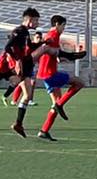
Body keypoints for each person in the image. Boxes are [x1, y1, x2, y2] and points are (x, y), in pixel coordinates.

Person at [35, 14, 87, 142]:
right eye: (63, 25)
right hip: (50, 73)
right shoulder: (53, 35)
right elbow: (52, 51)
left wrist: (64, 57)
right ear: (57, 24)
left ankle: (44, 130)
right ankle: (60, 104)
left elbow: (54, 54)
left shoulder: (51, 35)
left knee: (55, 103)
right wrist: (73, 56)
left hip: (45, 73)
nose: (64, 28)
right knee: (80, 83)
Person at [2, 8, 42, 137]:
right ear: (29, 20)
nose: (37, 23)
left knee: (27, 95)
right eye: (36, 20)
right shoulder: (19, 31)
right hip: (20, 66)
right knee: (26, 94)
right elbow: (7, 47)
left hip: (25, 66)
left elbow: (29, 46)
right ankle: (18, 122)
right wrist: (17, 60)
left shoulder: (25, 33)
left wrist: (43, 43)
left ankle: (18, 124)